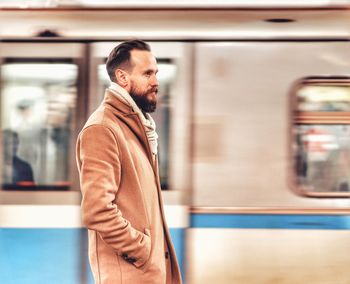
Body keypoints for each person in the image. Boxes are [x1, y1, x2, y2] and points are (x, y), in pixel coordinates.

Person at [76, 40, 182, 284]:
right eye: (147, 73)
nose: (156, 81)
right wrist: (141, 250)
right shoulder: (103, 129)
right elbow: (97, 211)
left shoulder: (136, 127)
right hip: (129, 275)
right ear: (122, 78)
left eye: (156, 73)